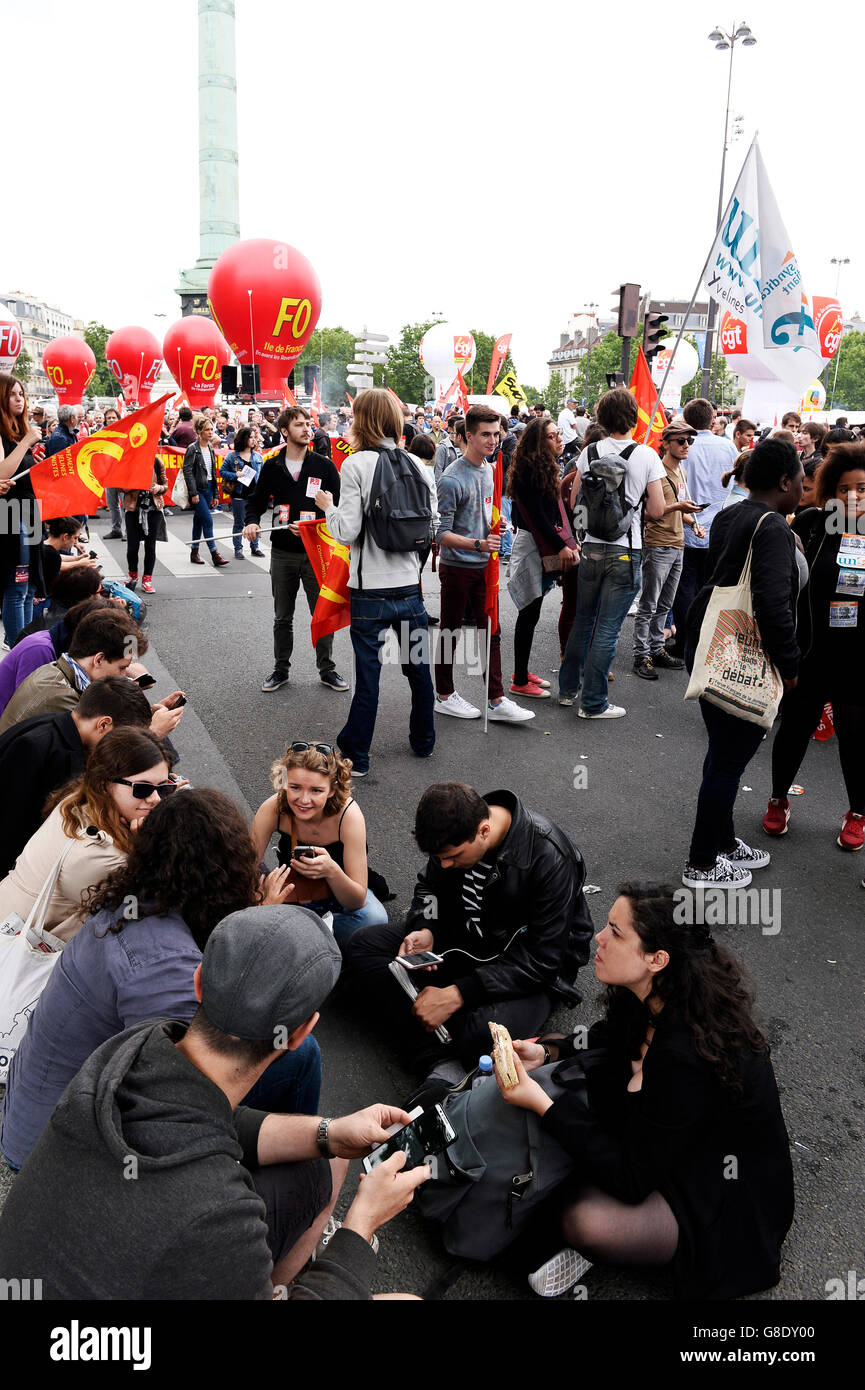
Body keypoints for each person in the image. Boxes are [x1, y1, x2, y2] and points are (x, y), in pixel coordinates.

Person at [0, 907, 431, 1299]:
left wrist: (329, 1133)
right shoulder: (220, 1217)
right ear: (301, 1034)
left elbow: (208, 1117)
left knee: (330, 1154)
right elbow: (207, 1159)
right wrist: (361, 1223)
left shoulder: (133, 1045)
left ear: (199, 981)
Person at [1, 788, 325, 1172]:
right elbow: (185, 1084)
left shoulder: (133, 897)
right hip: (60, 1155)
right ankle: (264, 1170)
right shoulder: (163, 966)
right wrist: (255, 934)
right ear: (224, 873)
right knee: (302, 1056)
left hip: (36, 1115)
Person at [496, 883, 794, 1301]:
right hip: (671, 1140)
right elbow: (609, 1036)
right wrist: (548, 1051)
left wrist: (543, 1105)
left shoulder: (686, 1055)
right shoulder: (658, 992)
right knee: (577, 1102)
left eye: (616, 933)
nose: (599, 937)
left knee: (584, 1220)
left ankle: (612, 1247)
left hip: (718, 1192)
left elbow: (631, 1178)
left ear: (657, 959)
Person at [344, 781, 595, 1076]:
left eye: (454, 856)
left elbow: (543, 960)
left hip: (531, 970)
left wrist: (458, 993)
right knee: (361, 946)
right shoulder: (452, 829)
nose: (446, 864)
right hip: (468, 940)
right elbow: (429, 887)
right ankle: (436, 1044)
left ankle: (427, 1041)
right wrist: (426, 928)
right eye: (440, 858)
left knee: (482, 1035)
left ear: (484, 831)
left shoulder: (549, 856)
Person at [682, 437, 804, 888]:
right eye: (802, 480)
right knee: (730, 759)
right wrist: (789, 666)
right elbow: (773, 605)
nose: (806, 488)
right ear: (785, 481)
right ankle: (701, 861)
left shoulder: (734, 512)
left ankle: (723, 841)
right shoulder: (770, 526)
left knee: (722, 752)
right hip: (745, 651)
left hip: (713, 642)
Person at [314, 388, 438, 778]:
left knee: (368, 676)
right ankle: (424, 740)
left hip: (370, 590)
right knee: (419, 667)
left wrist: (327, 507)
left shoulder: (356, 465)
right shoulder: (421, 466)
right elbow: (430, 526)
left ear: (362, 420)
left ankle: (358, 755)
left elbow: (347, 531)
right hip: (409, 587)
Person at [763, 442, 865, 850]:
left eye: (862, 488)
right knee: (795, 730)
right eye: (844, 489)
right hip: (811, 651)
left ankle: (857, 812)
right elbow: (784, 580)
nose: (854, 497)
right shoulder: (810, 523)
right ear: (830, 492)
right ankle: (777, 799)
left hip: (859, 657)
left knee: (857, 737)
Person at [0, 726, 173, 940]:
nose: (155, 798)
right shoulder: (103, 856)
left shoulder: (78, 802)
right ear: (104, 784)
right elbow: (138, 912)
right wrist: (147, 847)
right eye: (142, 789)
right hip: (22, 953)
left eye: (165, 787)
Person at [558, 387, 666, 718]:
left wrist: (583, 533)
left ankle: (567, 690)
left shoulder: (589, 451)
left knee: (583, 620)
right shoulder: (646, 455)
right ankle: (593, 703)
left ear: (601, 418)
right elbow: (659, 510)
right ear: (634, 417)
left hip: (590, 548)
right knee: (607, 629)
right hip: (625, 550)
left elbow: (575, 502)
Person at [434, 404, 534, 725]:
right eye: (486, 435)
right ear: (468, 436)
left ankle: (496, 698)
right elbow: (441, 534)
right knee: (451, 632)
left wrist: (497, 522)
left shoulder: (490, 470)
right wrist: (479, 543)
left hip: (484, 567)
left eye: (496, 434)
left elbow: (482, 512)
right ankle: (444, 695)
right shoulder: (451, 479)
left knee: (491, 631)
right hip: (458, 567)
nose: (493, 440)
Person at [0, 675, 156, 878]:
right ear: (103, 725)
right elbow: (13, 823)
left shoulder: (51, 724)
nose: (121, 748)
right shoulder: (48, 752)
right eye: (122, 739)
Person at [243, 405, 347, 694]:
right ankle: (280, 670)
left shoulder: (323, 466)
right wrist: (251, 523)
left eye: (307, 423)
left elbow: (340, 506)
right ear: (285, 431)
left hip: (317, 552)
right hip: (283, 552)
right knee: (282, 617)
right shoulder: (272, 466)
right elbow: (256, 502)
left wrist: (317, 523)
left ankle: (327, 669)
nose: (306, 428)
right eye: (299, 425)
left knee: (322, 613)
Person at [251, 741, 390, 948]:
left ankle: (300, 941)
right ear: (284, 782)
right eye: (295, 787)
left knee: (374, 918)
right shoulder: (274, 807)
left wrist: (332, 871)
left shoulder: (348, 816)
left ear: (332, 790)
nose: (304, 800)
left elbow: (357, 901)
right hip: (293, 894)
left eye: (316, 790)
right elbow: (245, 865)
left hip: (339, 895)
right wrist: (263, 898)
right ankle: (310, 941)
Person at [506, 416, 578, 696]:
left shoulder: (545, 466)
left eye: (558, 434)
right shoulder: (528, 470)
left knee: (532, 613)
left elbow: (552, 514)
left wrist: (565, 542)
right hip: (533, 544)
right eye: (552, 436)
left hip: (541, 542)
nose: (559, 439)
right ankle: (519, 681)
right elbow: (536, 517)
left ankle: (521, 673)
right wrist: (561, 545)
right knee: (528, 612)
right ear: (538, 442)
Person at [669, 398, 737, 659]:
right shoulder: (728, 447)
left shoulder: (685, 447)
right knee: (706, 587)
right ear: (712, 420)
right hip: (717, 528)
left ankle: (686, 640)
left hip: (690, 526)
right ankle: (702, 640)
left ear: (686, 420)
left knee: (685, 587)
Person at [632, 422, 700, 680]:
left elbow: (679, 508)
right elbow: (648, 514)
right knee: (648, 604)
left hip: (678, 542)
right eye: (681, 441)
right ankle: (641, 654)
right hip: (658, 543)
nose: (686, 446)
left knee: (665, 603)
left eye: (689, 442)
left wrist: (693, 522)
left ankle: (657, 649)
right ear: (667, 442)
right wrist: (677, 507)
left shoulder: (680, 470)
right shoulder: (656, 471)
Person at [0, 375, 45, 645]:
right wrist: (26, 443)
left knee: (30, 587)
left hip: (30, 510)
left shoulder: (19, 431)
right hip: (10, 512)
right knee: (17, 585)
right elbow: (2, 473)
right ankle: (17, 646)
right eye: (13, 394)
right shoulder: (10, 435)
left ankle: (27, 645)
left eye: (22, 394)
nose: (20, 399)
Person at [182, 414, 230, 567]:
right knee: (208, 520)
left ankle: (194, 552)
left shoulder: (210, 447)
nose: (211, 432)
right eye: (207, 430)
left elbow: (212, 473)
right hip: (198, 490)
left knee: (199, 522)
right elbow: (187, 472)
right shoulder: (192, 449)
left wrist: (215, 494)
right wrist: (193, 493)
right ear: (199, 432)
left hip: (209, 488)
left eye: (211, 429)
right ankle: (214, 553)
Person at [124, 452, 168, 594]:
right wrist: (135, 485)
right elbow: (119, 486)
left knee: (150, 546)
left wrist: (158, 488)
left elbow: (165, 485)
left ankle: (147, 580)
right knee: (132, 547)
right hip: (133, 508)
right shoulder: (129, 461)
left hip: (153, 509)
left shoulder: (156, 461)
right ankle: (132, 577)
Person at [221, 425, 264, 559]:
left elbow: (262, 476)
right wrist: (236, 475)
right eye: (250, 437)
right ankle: (238, 549)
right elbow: (222, 472)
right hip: (239, 494)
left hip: (254, 495)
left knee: (254, 522)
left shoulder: (257, 456)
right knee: (239, 523)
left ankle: (255, 547)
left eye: (254, 437)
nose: (253, 440)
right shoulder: (232, 456)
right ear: (243, 439)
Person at [557, 397, 580, 461]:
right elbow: (575, 426)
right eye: (574, 403)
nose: (575, 405)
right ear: (568, 404)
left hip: (564, 439)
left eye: (576, 404)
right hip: (571, 438)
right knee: (585, 447)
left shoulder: (563, 412)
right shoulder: (569, 413)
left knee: (562, 455)